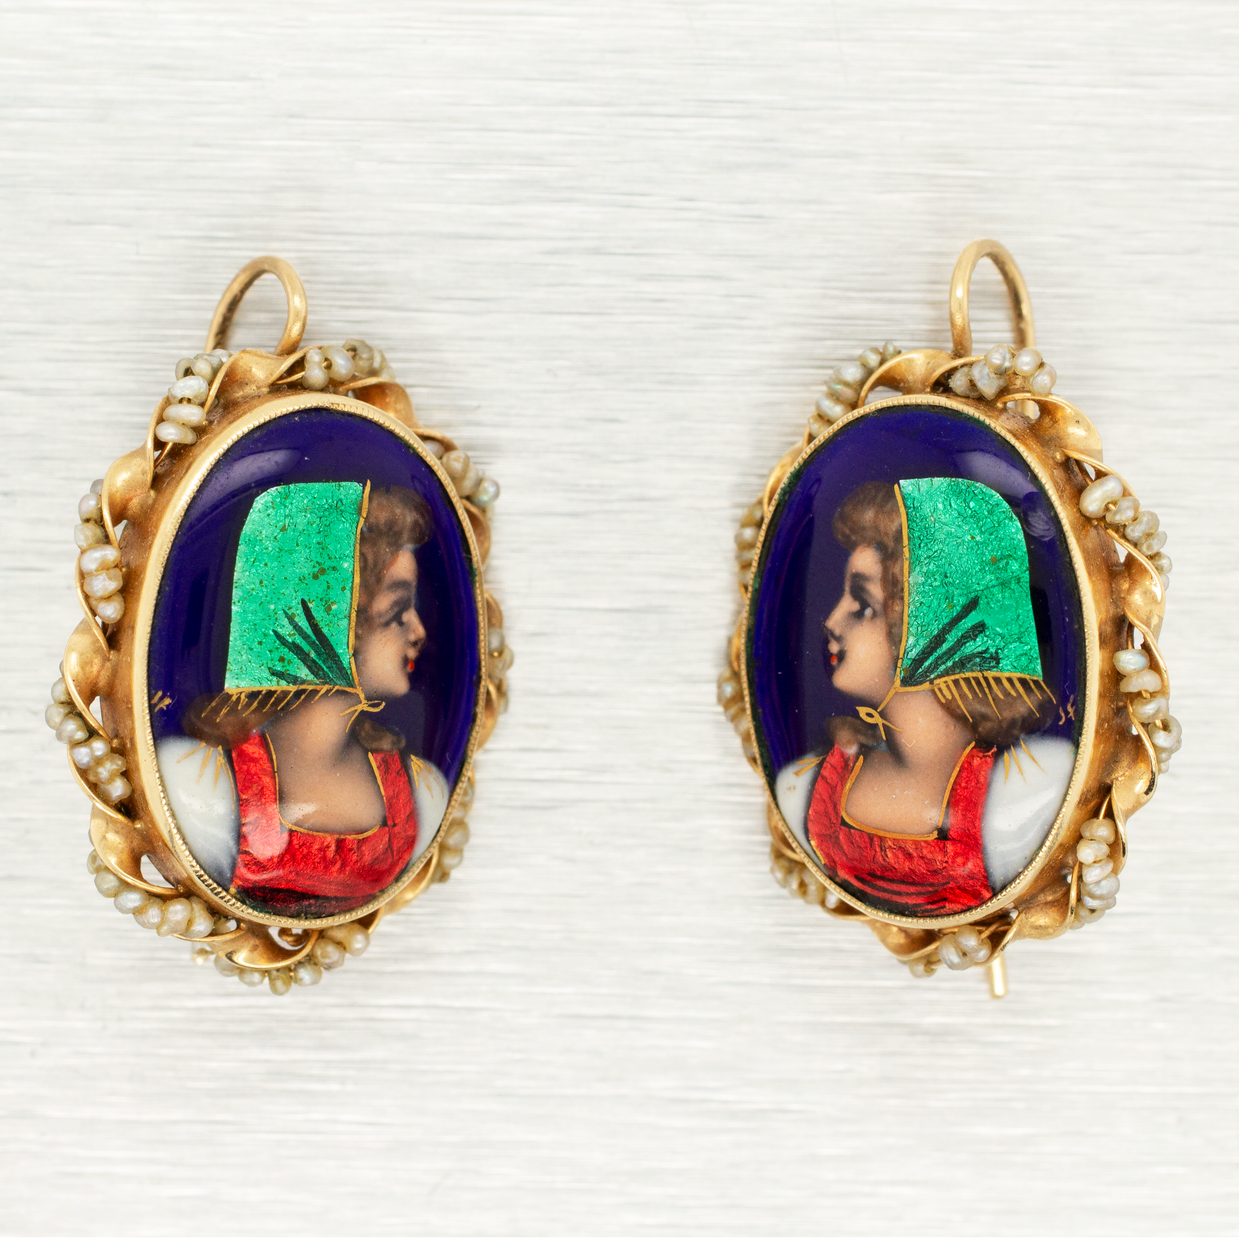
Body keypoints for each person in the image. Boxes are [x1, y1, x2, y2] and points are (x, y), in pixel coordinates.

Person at [774, 477, 1075, 916]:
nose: (831, 621)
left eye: (862, 604)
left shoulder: (1030, 790)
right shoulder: (802, 790)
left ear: (937, 628)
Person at [157, 481, 449, 916]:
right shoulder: (200, 788)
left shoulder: (423, 792)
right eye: (397, 611)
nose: (419, 632)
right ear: (328, 621)